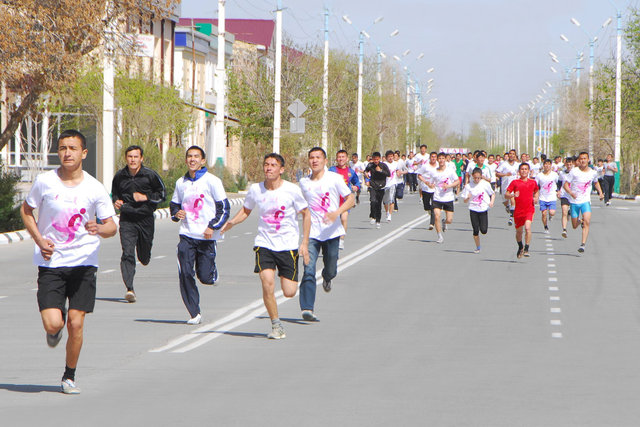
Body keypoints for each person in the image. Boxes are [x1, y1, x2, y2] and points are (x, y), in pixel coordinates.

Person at [20, 130, 117, 394]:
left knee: (77, 322)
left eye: (73, 148)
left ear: (83, 153)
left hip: (85, 262)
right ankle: (55, 328)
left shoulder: (94, 187)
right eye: (63, 148)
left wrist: (99, 228)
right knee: (54, 323)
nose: (67, 153)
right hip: (51, 262)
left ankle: (69, 375)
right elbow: (27, 211)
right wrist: (39, 240)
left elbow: (111, 227)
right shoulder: (45, 182)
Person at [221, 153, 310, 339]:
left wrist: (304, 243)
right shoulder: (256, 189)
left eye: (273, 165)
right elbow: (246, 210)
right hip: (264, 244)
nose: (269, 168)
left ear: (281, 169)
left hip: (288, 245)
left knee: (289, 292)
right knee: (267, 282)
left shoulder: (291, 190)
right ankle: (276, 324)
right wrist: (231, 223)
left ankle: (287, 284)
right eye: (266, 164)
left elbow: (306, 214)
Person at [170, 146, 230, 325]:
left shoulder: (213, 181)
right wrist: (176, 213)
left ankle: (212, 275)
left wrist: (213, 227)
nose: (192, 159)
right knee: (185, 273)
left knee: (204, 277)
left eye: (196, 156)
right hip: (187, 235)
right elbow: (175, 205)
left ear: (203, 160)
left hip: (206, 237)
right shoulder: (181, 182)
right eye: (189, 156)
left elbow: (224, 208)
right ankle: (194, 312)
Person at [298, 147, 354, 321]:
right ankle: (307, 308)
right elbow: (299, 205)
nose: (314, 160)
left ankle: (327, 277)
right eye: (312, 158)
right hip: (312, 233)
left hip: (332, 232)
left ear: (324, 161)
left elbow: (350, 199)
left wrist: (336, 213)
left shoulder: (335, 178)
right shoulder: (304, 183)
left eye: (318, 157)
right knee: (308, 269)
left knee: (331, 267)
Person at [111, 145, 166, 303]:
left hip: (145, 219)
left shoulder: (150, 175)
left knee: (144, 257)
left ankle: (145, 256)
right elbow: (115, 193)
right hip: (127, 218)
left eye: (136, 157)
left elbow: (162, 195)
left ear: (141, 158)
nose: (133, 160)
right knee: (127, 252)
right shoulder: (120, 176)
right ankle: (129, 288)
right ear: (126, 158)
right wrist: (116, 201)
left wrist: (146, 197)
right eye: (130, 157)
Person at [563, 152, 604, 252]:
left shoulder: (592, 172)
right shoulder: (574, 171)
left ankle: (583, 244)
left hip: (585, 201)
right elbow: (565, 185)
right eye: (581, 159)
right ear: (578, 160)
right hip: (574, 201)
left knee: (587, 221)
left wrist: (600, 193)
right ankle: (579, 221)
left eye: (585, 158)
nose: (583, 160)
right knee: (574, 226)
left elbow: (596, 182)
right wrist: (571, 193)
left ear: (588, 160)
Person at [505, 163, 539, 258]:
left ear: (529, 171)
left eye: (526, 169)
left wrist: (536, 198)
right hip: (518, 211)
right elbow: (506, 194)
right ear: (519, 171)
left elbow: (536, 191)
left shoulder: (532, 182)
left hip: (529, 209)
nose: (524, 171)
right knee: (519, 232)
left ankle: (527, 248)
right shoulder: (515, 182)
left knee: (527, 228)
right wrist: (512, 195)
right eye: (522, 169)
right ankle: (520, 246)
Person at [329, 149, 360, 250]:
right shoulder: (332, 170)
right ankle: (332, 240)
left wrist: (356, 187)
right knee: (333, 222)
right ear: (336, 158)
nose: (341, 159)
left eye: (343, 157)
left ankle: (341, 240)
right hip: (333, 201)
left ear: (346, 159)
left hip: (345, 201)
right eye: (339, 157)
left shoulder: (350, 171)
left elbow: (357, 182)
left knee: (344, 218)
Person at [461, 167, 495, 253]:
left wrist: (491, 202)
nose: (476, 179)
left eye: (478, 178)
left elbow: (492, 193)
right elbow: (465, 201)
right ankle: (478, 247)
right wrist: (467, 198)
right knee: (475, 230)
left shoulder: (485, 184)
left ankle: (481, 226)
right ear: (472, 176)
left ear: (481, 176)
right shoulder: (468, 186)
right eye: (475, 177)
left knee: (484, 230)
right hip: (473, 209)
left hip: (483, 209)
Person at [431, 152, 460, 243]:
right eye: (439, 158)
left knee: (449, 220)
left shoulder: (450, 171)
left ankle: (445, 222)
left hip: (448, 197)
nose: (441, 160)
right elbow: (431, 182)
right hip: (437, 197)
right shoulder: (434, 172)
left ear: (445, 159)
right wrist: (431, 185)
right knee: (436, 216)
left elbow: (457, 181)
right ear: (437, 160)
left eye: (443, 158)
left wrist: (449, 186)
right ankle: (439, 236)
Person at [364, 152, 391, 228]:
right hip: (373, 186)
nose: (376, 161)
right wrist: (366, 175)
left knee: (378, 204)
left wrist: (381, 171)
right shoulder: (370, 165)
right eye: (374, 159)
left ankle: (378, 221)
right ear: (372, 159)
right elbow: (365, 171)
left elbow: (388, 174)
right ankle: (373, 216)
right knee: (373, 201)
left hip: (381, 187)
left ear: (380, 159)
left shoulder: (383, 165)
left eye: (377, 159)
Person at [495, 149, 520, 226]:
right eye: (510, 154)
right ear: (508, 155)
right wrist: (505, 175)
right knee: (505, 202)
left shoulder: (518, 165)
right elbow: (497, 173)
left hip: (514, 186)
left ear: (515, 156)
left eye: (513, 154)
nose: (512, 155)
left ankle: (511, 218)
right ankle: (507, 207)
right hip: (505, 186)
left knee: (513, 201)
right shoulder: (504, 164)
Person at [535, 158, 559, 234]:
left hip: (552, 197)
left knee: (552, 212)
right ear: (543, 165)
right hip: (542, 197)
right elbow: (536, 186)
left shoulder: (554, 175)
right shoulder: (539, 175)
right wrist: (535, 195)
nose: (547, 166)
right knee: (543, 213)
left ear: (551, 165)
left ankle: (551, 216)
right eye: (545, 164)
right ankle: (545, 226)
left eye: (549, 164)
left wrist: (558, 191)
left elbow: (558, 183)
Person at [416, 152, 438, 230]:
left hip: (435, 189)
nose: (433, 158)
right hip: (425, 188)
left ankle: (431, 223)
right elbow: (419, 175)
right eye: (432, 157)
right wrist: (425, 182)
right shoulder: (425, 166)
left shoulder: (439, 166)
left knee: (433, 206)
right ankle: (429, 210)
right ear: (430, 158)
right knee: (426, 205)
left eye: (435, 157)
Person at [383, 150, 403, 222]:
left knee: (392, 199)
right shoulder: (384, 164)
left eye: (392, 156)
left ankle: (390, 215)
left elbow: (397, 170)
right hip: (385, 185)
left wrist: (398, 173)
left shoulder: (395, 164)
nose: (391, 158)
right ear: (386, 157)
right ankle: (387, 212)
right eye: (389, 157)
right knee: (385, 201)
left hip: (393, 183)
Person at [558, 157, 574, 238]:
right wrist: (558, 191)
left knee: (574, 215)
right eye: (567, 164)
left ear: (573, 164)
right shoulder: (562, 173)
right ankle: (564, 229)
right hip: (564, 195)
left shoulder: (575, 172)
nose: (569, 166)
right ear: (565, 164)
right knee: (564, 211)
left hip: (574, 196)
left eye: (570, 164)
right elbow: (560, 182)